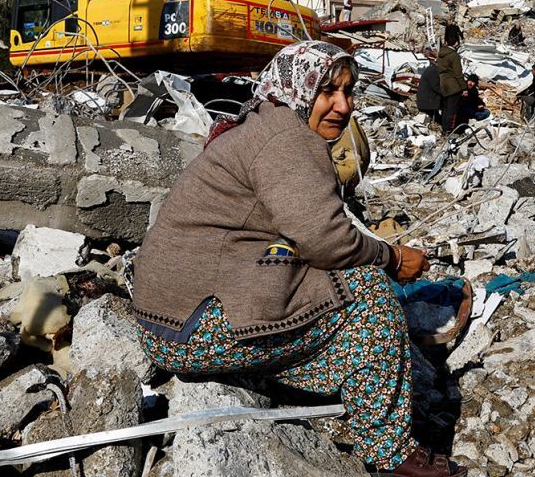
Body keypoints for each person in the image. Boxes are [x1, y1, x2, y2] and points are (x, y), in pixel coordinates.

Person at [131, 41, 466, 477]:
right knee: (367, 291)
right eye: (328, 91)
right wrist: (391, 257)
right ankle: (389, 452)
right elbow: (327, 242)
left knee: (320, 288)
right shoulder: (288, 140)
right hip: (192, 329)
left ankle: (341, 387)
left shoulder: (264, 123)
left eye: (349, 92)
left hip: (167, 322)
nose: (342, 106)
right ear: (299, 87)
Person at [436, 24, 465, 133]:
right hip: (453, 86)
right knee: (452, 111)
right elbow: (458, 74)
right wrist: (464, 87)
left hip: (443, 84)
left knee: (446, 109)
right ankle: (450, 131)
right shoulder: (454, 55)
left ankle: (445, 130)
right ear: (456, 41)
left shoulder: (441, 54)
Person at [416, 49, 442, 124]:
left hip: (426, 99)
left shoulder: (431, 69)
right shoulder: (434, 70)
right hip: (428, 101)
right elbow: (436, 87)